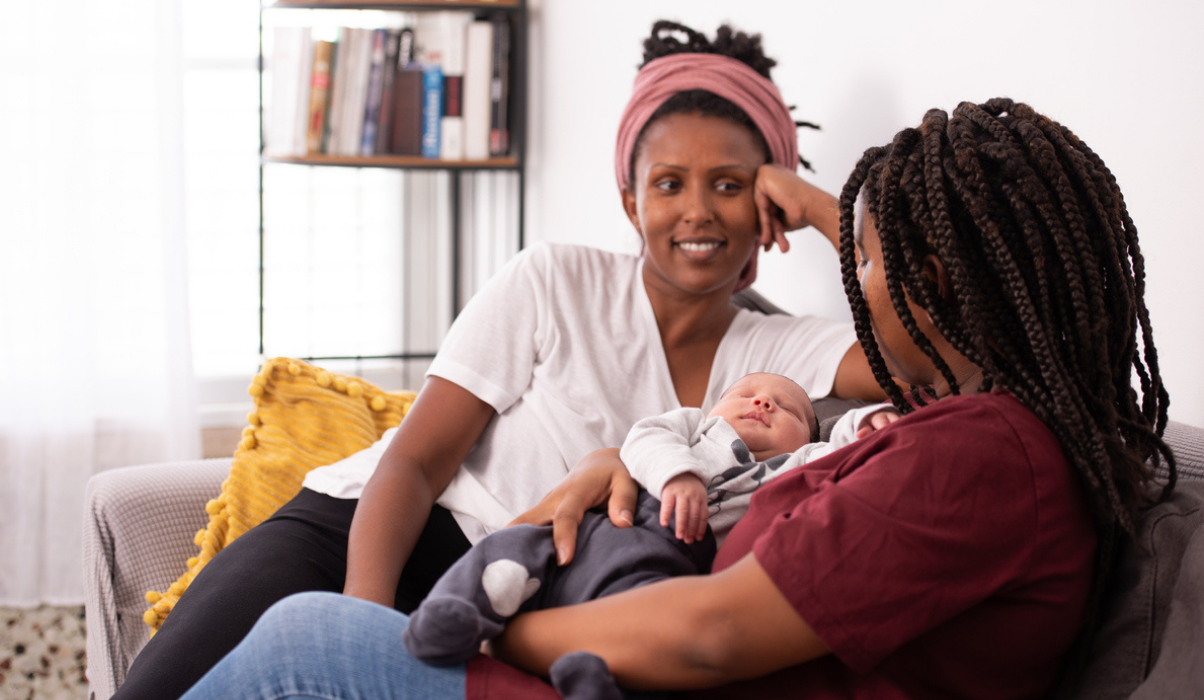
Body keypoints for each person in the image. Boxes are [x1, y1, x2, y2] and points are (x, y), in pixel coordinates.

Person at [173, 96, 1177, 700]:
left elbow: (706, 632)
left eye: (868, 257)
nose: (857, 280)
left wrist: (483, 622)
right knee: (301, 628)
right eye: (667, 185)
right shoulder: (946, 431)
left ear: (937, 278)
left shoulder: (980, 452)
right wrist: (617, 468)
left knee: (311, 644)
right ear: (629, 201)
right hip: (535, 585)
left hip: (611, 655)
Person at [110, 20, 883, 700]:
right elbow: (414, 463)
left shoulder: (780, 350)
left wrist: (819, 207)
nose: (696, 210)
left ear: (768, 205)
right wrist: (360, 621)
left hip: (504, 599)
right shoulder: (554, 279)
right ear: (629, 202)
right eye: (668, 184)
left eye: (731, 184)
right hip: (362, 538)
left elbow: (927, 358)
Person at [402, 372, 895, 700]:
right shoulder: (695, 430)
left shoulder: (795, 467)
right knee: (513, 546)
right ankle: (457, 610)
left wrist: (867, 421)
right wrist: (679, 475)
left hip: (663, 561)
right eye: (745, 393)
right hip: (613, 523)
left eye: (787, 408)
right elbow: (644, 439)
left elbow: (841, 448)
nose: (763, 401)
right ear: (712, 408)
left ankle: (589, 678)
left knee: (633, 621)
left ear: (807, 439)